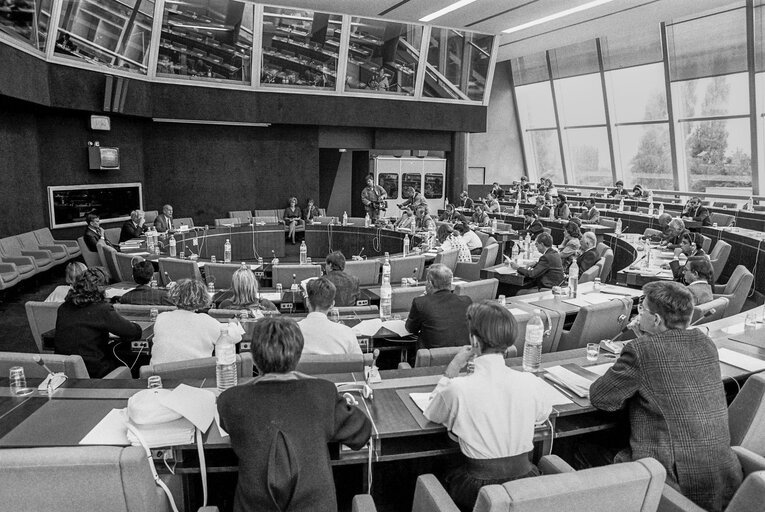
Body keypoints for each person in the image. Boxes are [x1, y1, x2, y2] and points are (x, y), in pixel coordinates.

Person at [589, 281, 742, 512]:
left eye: (643, 310)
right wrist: (644, 339)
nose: (640, 314)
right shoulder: (706, 343)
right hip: (721, 478)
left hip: (671, 480)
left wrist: (639, 344)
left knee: (584, 451)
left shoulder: (641, 350)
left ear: (657, 320)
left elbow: (601, 397)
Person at [217, 316, 372, 512]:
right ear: (299, 355)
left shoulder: (230, 400)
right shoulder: (323, 392)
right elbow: (362, 433)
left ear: (254, 359)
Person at [424, 301, 553, 512]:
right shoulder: (531, 382)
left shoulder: (457, 389)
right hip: (526, 484)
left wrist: (453, 368)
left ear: (474, 341)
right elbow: (541, 416)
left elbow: (432, 413)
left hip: (477, 491)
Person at [54, 268, 142, 378]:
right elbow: (133, 332)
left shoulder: (63, 308)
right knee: (133, 363)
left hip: (64, 372)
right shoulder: (102, 309)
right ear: (101, 289)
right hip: (95, 372)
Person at [151, 278, 230, 365]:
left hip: (157, 374)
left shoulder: (161, 317)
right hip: (195, 374)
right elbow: (232, 337)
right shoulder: (206, 321)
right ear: (202, 298)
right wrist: (234, 323)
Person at [405, 264, 472, 349]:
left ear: (430, 283)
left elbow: (410, 328)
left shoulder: (420, 303)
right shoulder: (466, 301)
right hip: (463, 357)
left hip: (433, 359)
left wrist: (425, 298)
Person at [297, 277, 362, 355]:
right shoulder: (347, 333)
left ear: (307, 302)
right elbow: (359, 364)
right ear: (332, 305)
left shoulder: (291, 333)